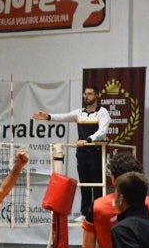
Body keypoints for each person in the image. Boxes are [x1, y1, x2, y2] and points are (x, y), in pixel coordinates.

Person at [33, 86, 110, 221]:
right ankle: (85, 212)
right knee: (84, 184)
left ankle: (97, 211)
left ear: (96, 95)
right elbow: (64, 116)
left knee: (97, 184)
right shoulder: (79, 113)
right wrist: (48, 117)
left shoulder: (102, 112)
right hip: (82, 153)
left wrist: (88, 140)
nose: (87, 96)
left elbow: (102, 131)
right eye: (85, 94)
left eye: (90, 94)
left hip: (95, 152)